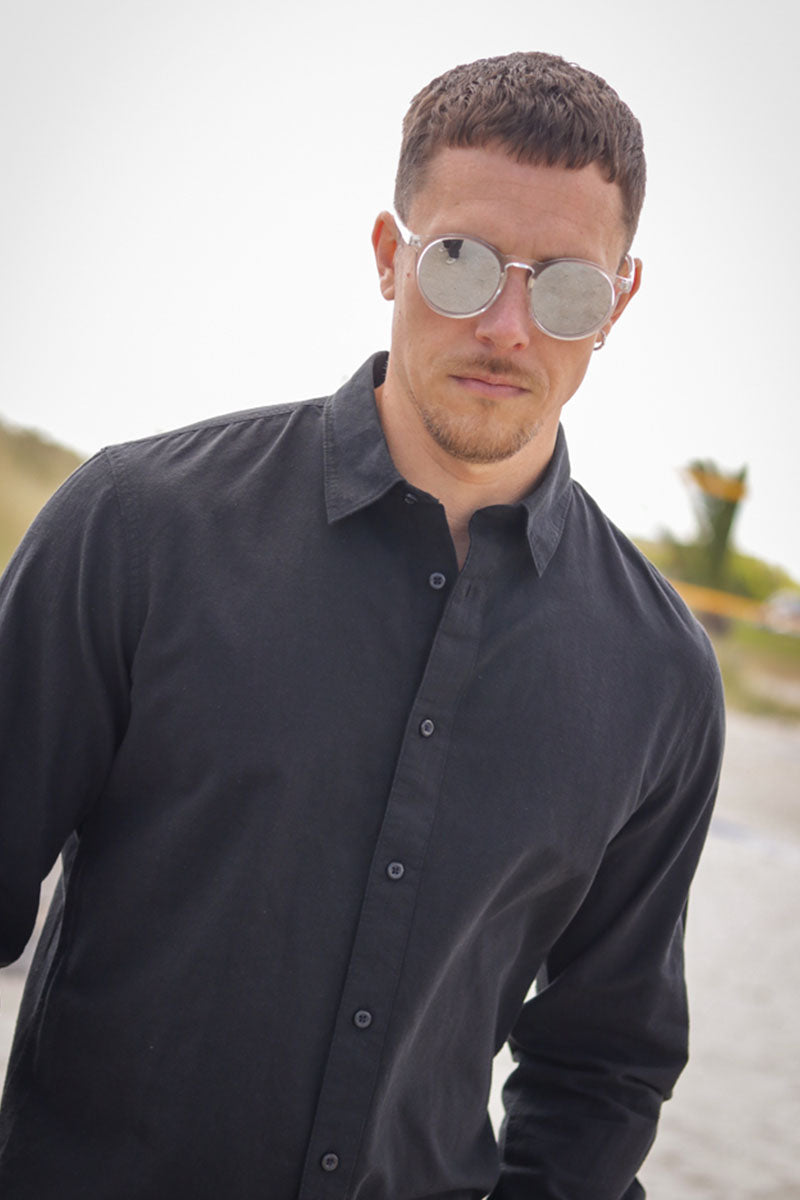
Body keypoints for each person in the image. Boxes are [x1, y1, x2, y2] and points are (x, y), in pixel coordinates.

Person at [0, 50, 724, 1200]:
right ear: (390, 254)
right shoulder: (136, 526)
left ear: (618, 302)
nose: (506, 327)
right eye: (460, 262)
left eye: (564, 289)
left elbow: (605, 1062)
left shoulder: (660, 674)